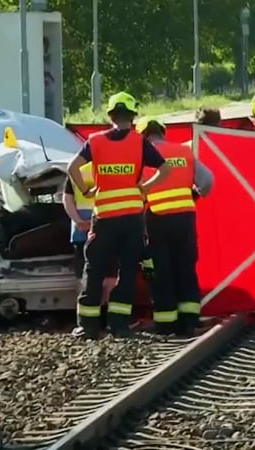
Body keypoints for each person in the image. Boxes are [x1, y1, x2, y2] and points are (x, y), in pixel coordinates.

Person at [66, 91, 171, 338]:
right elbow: (164, 169)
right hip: (132, 218)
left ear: (110, 116)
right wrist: (144, 188)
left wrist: (86, 190)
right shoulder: (139, 142)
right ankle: (119, 325)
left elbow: (72, 168)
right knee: (127, 270)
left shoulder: (95, 141)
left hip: (104, 217)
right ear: (133, 116)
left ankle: (88, 325)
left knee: (94, 268)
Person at [136, 116, 209, 336]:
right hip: (185, 219)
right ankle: (190, 321)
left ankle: (166, 324)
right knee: (186, 268)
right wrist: (191, 195)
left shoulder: (142, 156)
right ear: (162, 132)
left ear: (142, 136)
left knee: (160, 272)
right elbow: (207, 182)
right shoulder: (184, 152)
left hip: (156, 219)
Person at [61, 167, 118, 309]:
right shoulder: (108, 168)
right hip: (107, 229)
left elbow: (67, 199)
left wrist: (78, 221)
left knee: (84, 277)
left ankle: (86, 313)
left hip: (81, 232)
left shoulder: (77, 170)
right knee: (110, 275)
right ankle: (107, 311)